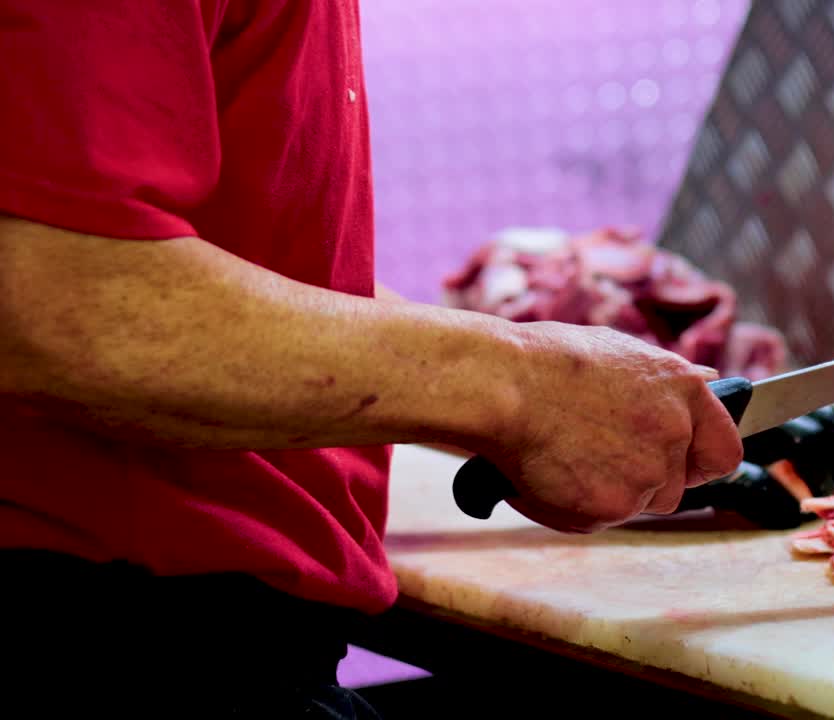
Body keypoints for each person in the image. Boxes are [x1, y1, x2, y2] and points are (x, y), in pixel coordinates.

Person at [0, 2, 743, 717]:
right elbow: (57, 297)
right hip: (109, 641)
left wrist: (561, 412)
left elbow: (257, 267)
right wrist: (519, 386)